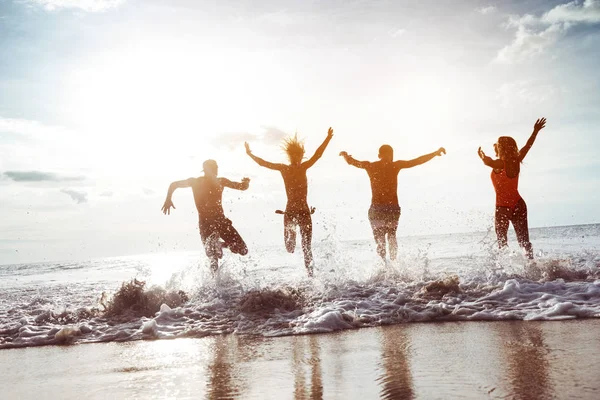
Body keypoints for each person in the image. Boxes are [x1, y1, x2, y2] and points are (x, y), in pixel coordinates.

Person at [244, 128, 334, 276]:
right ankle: (293, 240)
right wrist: (250, 154)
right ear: (290, 156)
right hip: (291, 212)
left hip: (304, 211)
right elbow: (263, 163)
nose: (297, 159)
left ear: (301, 156)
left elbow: (318, 155)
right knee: (290, 247)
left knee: (306, 247)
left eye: (299, 156)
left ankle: (311, 276)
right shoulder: (283, 168)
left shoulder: (304, 167)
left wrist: (328, 138)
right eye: (294, 156)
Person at [339, 144, 446, 261]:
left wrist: (345, 155)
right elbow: (417, 161)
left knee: (380, 239)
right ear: (389, 155)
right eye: (391, 155)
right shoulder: (395, 165)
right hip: (392, 208)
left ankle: (385, 266)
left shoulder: (370, 166)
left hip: (377, 209)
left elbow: (352, 162)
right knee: (391, 235)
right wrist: (435, 153)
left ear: (379, 155)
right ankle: (394, 266)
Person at [161, 159, 250, 272]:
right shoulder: (211, 181)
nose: (217, 169)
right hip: (215, 223)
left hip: (212, 223)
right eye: (215, 167)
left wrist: (168, 199)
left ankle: (220, 245)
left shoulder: (201, 182)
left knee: (234, 253)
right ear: (209, 169)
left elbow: (174, 185)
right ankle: (215, 284)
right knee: (221, 256)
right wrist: (247, 182)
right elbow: (242, 187)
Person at [478, 118, 547, 259]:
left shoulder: (499, 164)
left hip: (502, 208)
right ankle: (531, 267)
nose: (495, 147)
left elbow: (488, 162)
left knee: (502, 243)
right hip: (518, 205)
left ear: (501, 148)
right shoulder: (517, 160)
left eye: (496, 145)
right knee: (524, 242)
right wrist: (535, 131)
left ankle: (506, 275)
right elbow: (528, 145)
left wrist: (482, 156)